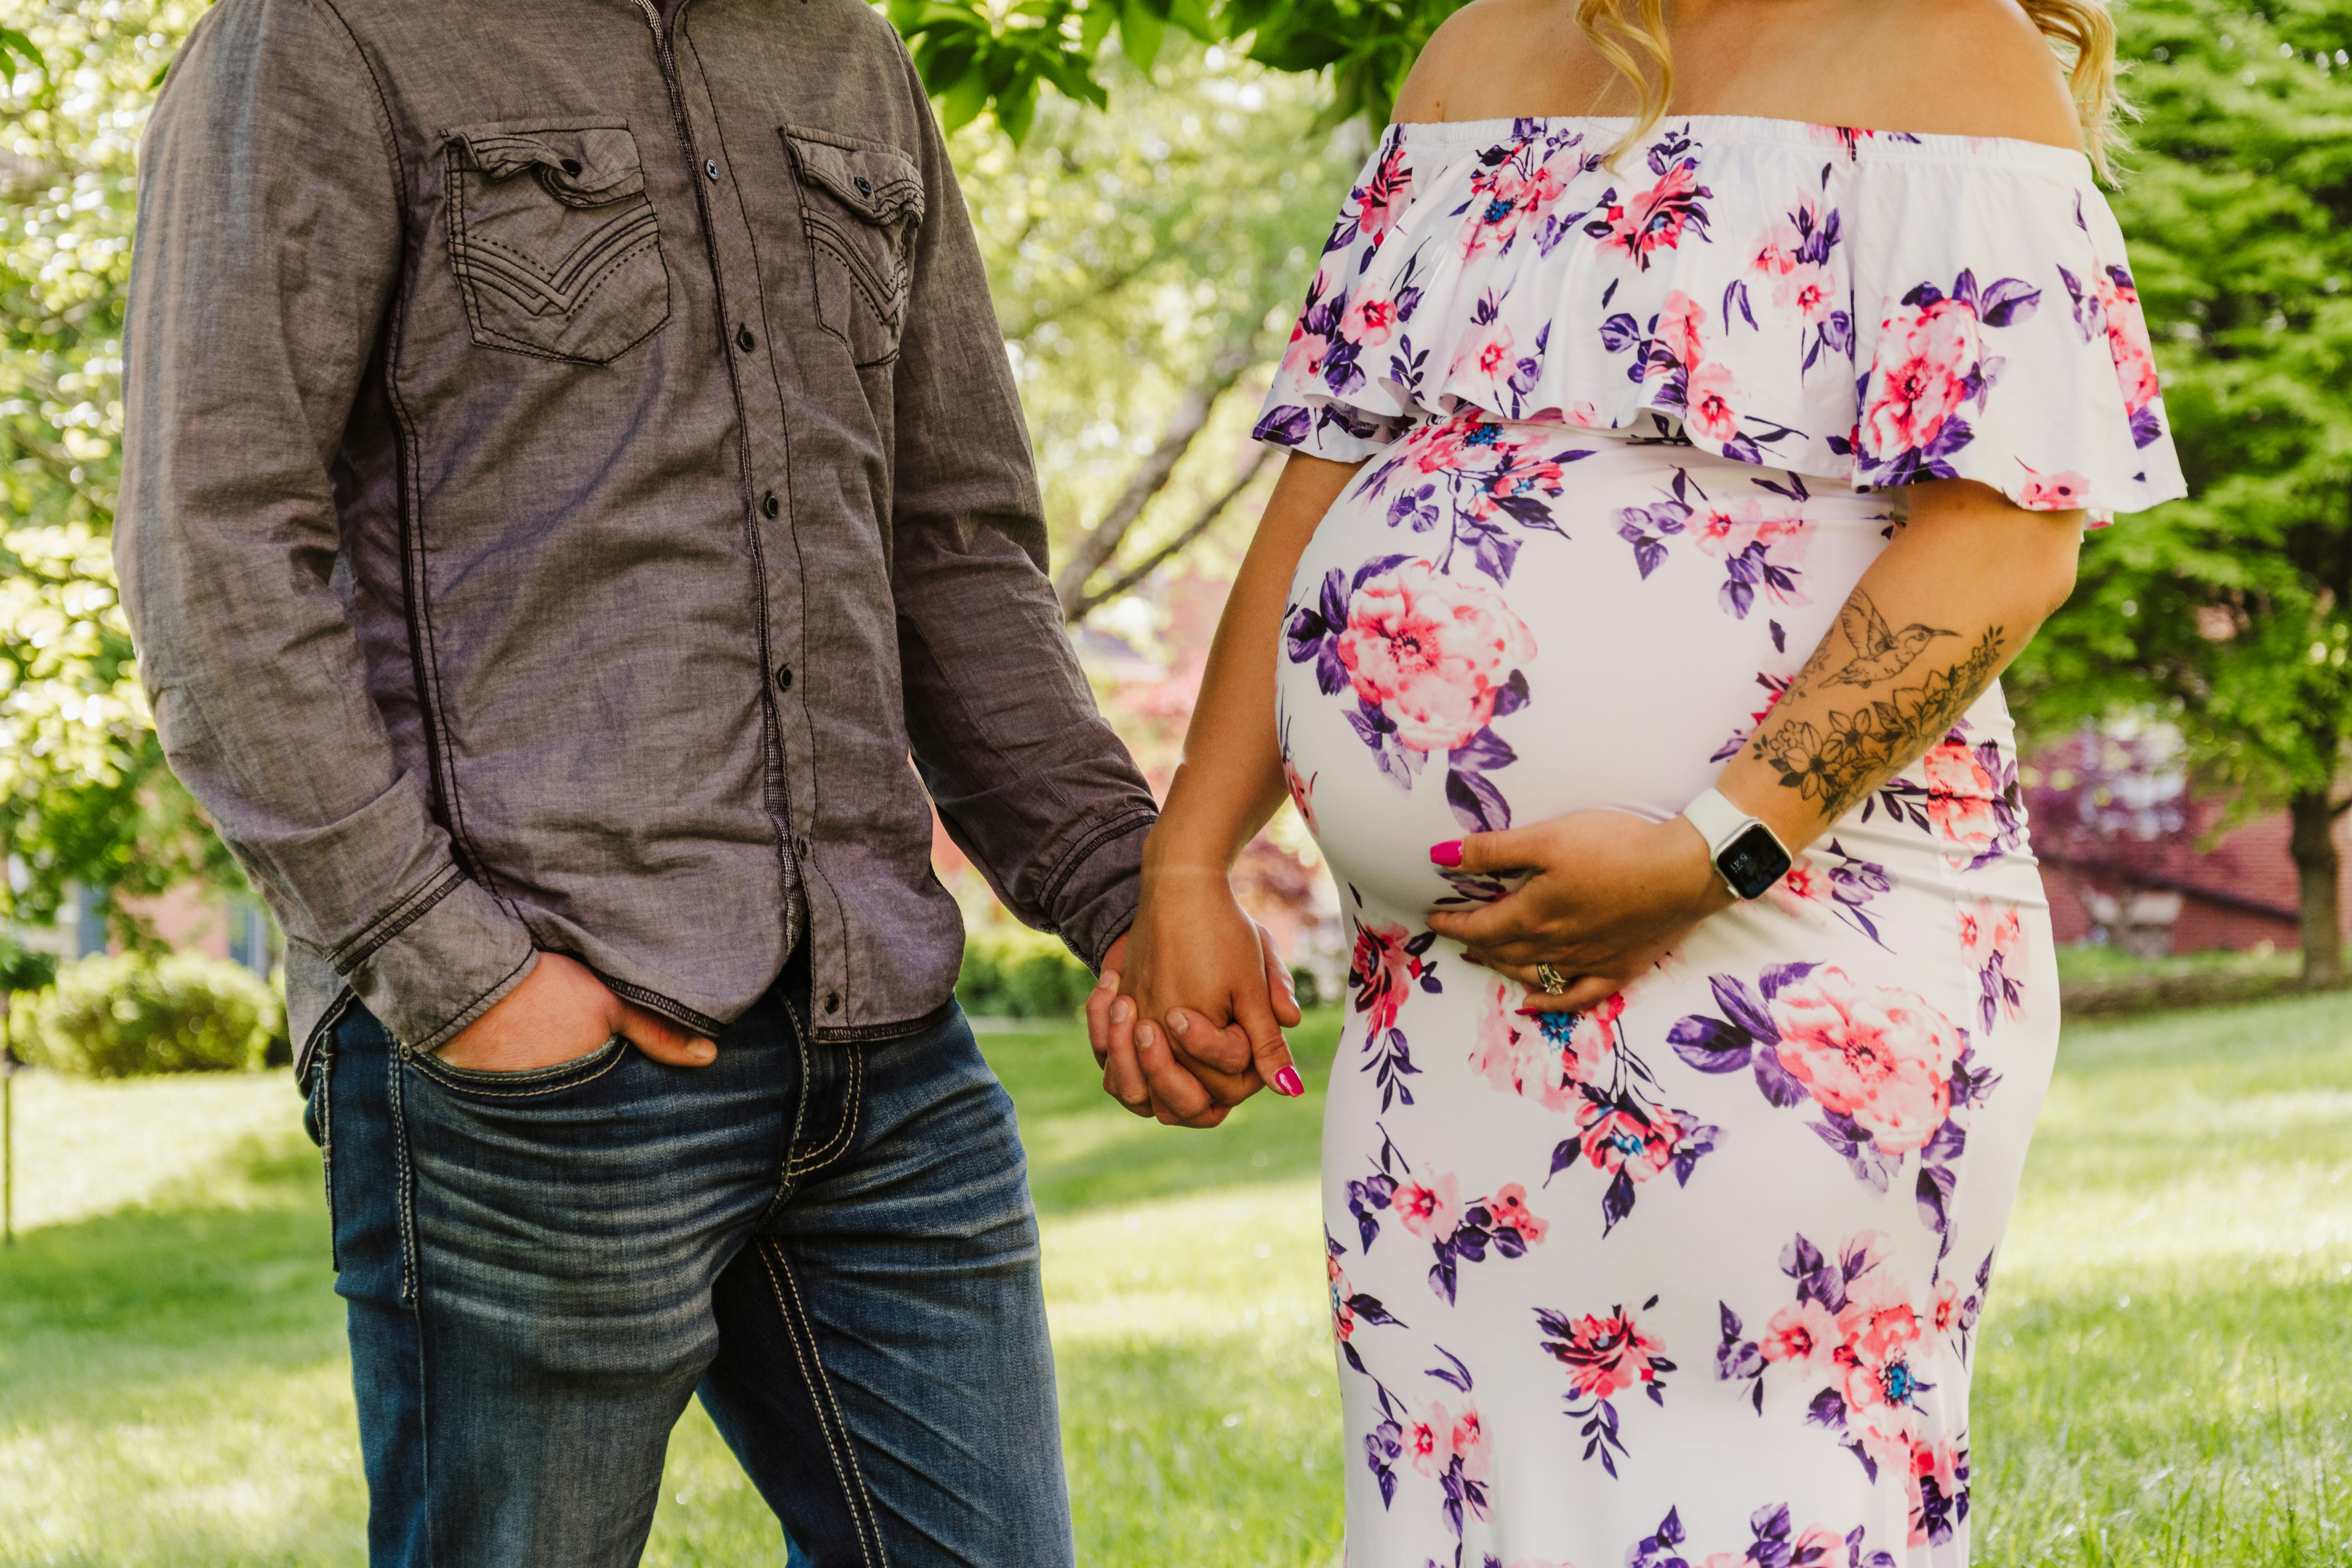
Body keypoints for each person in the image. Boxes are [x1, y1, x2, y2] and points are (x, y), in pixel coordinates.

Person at [114, 0, 1293, 1562]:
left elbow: (953, 557)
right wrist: (457, 974)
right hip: (533, 1068)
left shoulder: (851, 59)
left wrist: (1125, 891)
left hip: (885, 1052)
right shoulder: (324, 37)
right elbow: (215, 547)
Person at [1099, 0, 2184, 1558]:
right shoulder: (1476, 54)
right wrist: (1188, 861)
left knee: (1768, 1502)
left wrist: (1716, 848)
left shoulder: (1952, 54)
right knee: (1463, 1513)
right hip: (1454, 997)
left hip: (1797, 944)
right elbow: (1327, 474)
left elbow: (2009, 537)